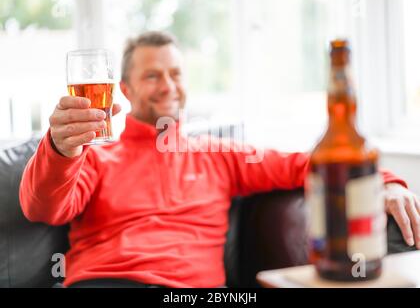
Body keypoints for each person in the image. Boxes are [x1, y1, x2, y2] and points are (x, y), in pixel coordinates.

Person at [19, 31, 420, 288]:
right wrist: (61, 147)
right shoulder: (95, 155)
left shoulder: (219, 155)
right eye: (153, 76)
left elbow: (310, 163)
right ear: (123, 88)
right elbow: (42, 207)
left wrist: (384, 182)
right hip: (106, 284)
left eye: (176, 73)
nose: (169, 86)